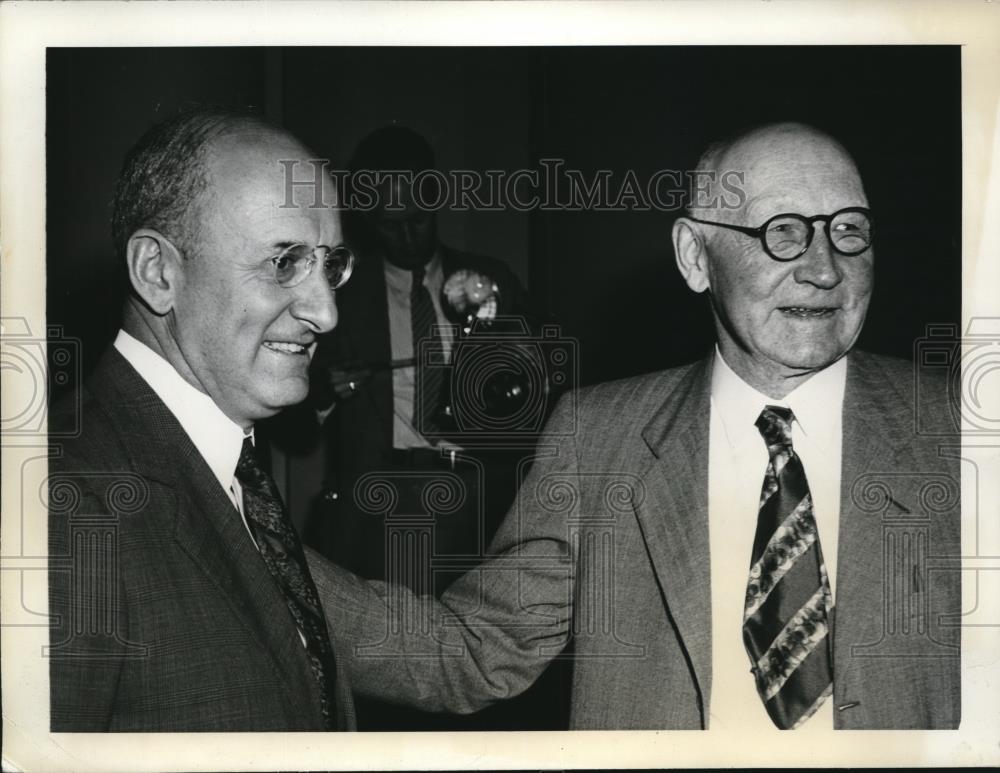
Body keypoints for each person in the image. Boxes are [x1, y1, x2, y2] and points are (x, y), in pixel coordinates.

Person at [312, 122, 961, 730]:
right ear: (695, 256)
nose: (825, 268)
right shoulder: (596, 439)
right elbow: (476, 649)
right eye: (782, 231)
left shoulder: (965, 431)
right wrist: (269, 566)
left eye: (849, 228)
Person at [47, 108, 359, 731]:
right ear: (158, 273)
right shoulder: (65, 507)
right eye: (284, 261)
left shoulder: (220, 466)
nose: (326, 312)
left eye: (330, 265)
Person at [295, 124, 568, 730]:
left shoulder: (491, 281)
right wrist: (320, 394)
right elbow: (293, 426)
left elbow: (532, 407)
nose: (408, 233)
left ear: (435, 195)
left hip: (474, 502)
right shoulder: (338, 293)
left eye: (417, 215)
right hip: (375, 511)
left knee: (476, 677)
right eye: (390, 223)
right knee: (381, 678)